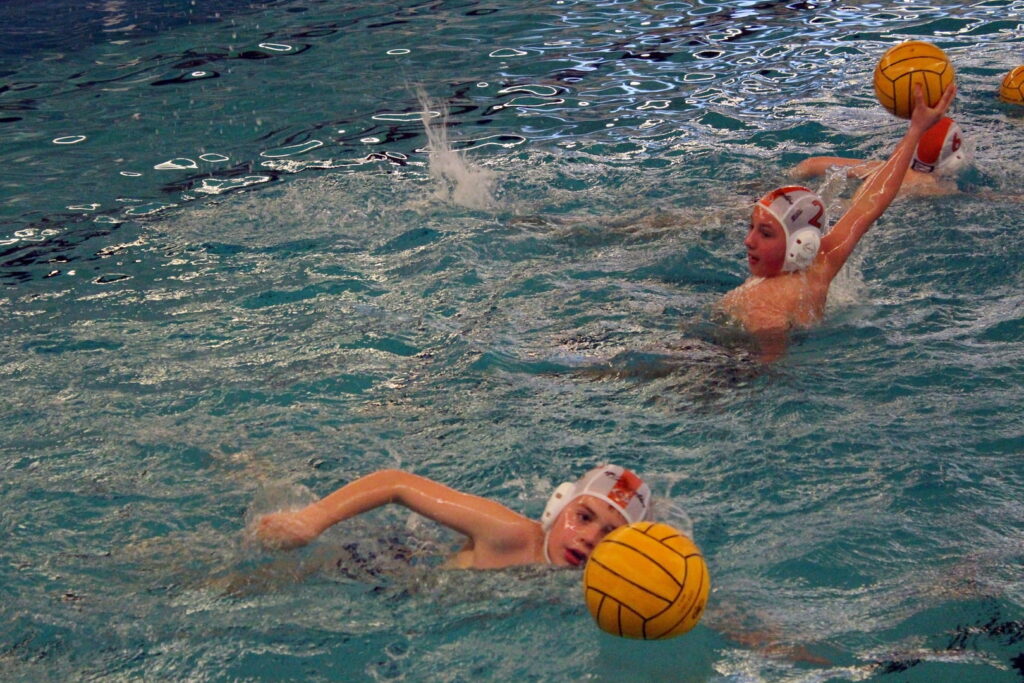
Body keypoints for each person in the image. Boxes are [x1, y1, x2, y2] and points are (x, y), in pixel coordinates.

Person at [716, 83, 956, 361]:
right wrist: (915, 130)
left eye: (766, 233)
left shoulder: (765, 309)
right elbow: (870, 202)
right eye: (752, 228)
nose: (749, 241)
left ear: (800, 244)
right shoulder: (821, 262)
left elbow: (767, 373)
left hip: (721, 366)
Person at [251, 463, 651, 570]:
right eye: (582, 517)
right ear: (557, 506)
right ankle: (250, 470)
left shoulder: (598, 586)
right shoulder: (508, 533)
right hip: (388, 566)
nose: (589, 538)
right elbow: (397, 484)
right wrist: (312, 519)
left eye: (609, 534)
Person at [790, 115, 967, 197]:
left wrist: (789, 178)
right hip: (848, 214)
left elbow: (811, 164)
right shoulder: (937, 189)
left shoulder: (883, 167)